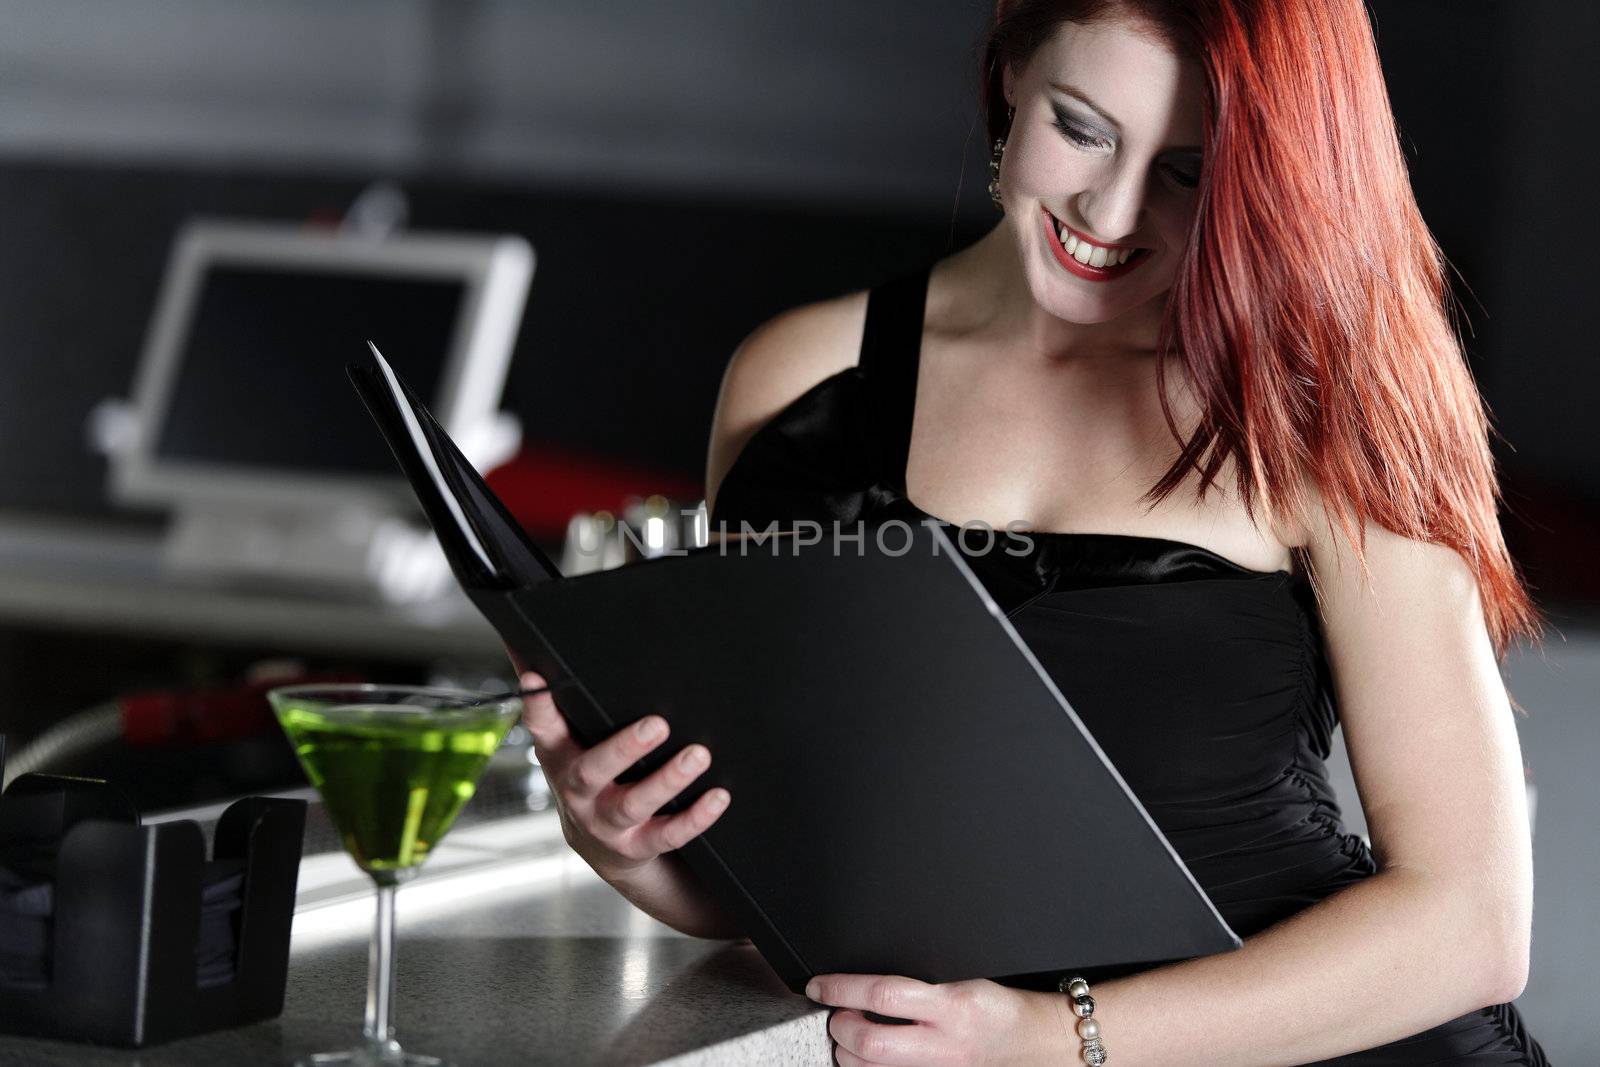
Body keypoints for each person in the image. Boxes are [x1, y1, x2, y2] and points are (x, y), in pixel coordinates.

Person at [518, 0, 1552, 1063]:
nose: (1109, 210)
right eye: (1083, 127)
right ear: (1012, 75)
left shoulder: (1327, 403)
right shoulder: (797, 379)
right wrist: (626, 840)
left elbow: (1468, 925)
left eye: (1189, 170)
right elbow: (783, 867)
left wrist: (1057, 1038)